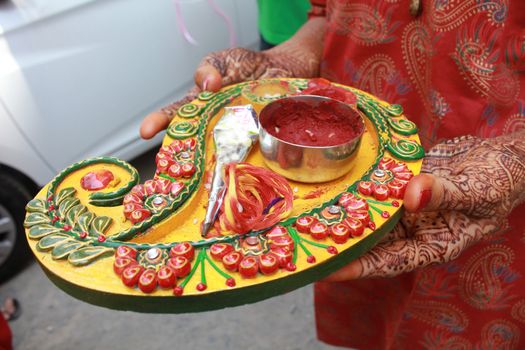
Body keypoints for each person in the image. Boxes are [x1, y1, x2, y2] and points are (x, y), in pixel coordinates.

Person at [141, 0, 525, 348]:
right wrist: (297, 53)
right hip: (350, 190)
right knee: (373, 314)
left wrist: (518, 158)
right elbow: (329, 10)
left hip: (492, 198)